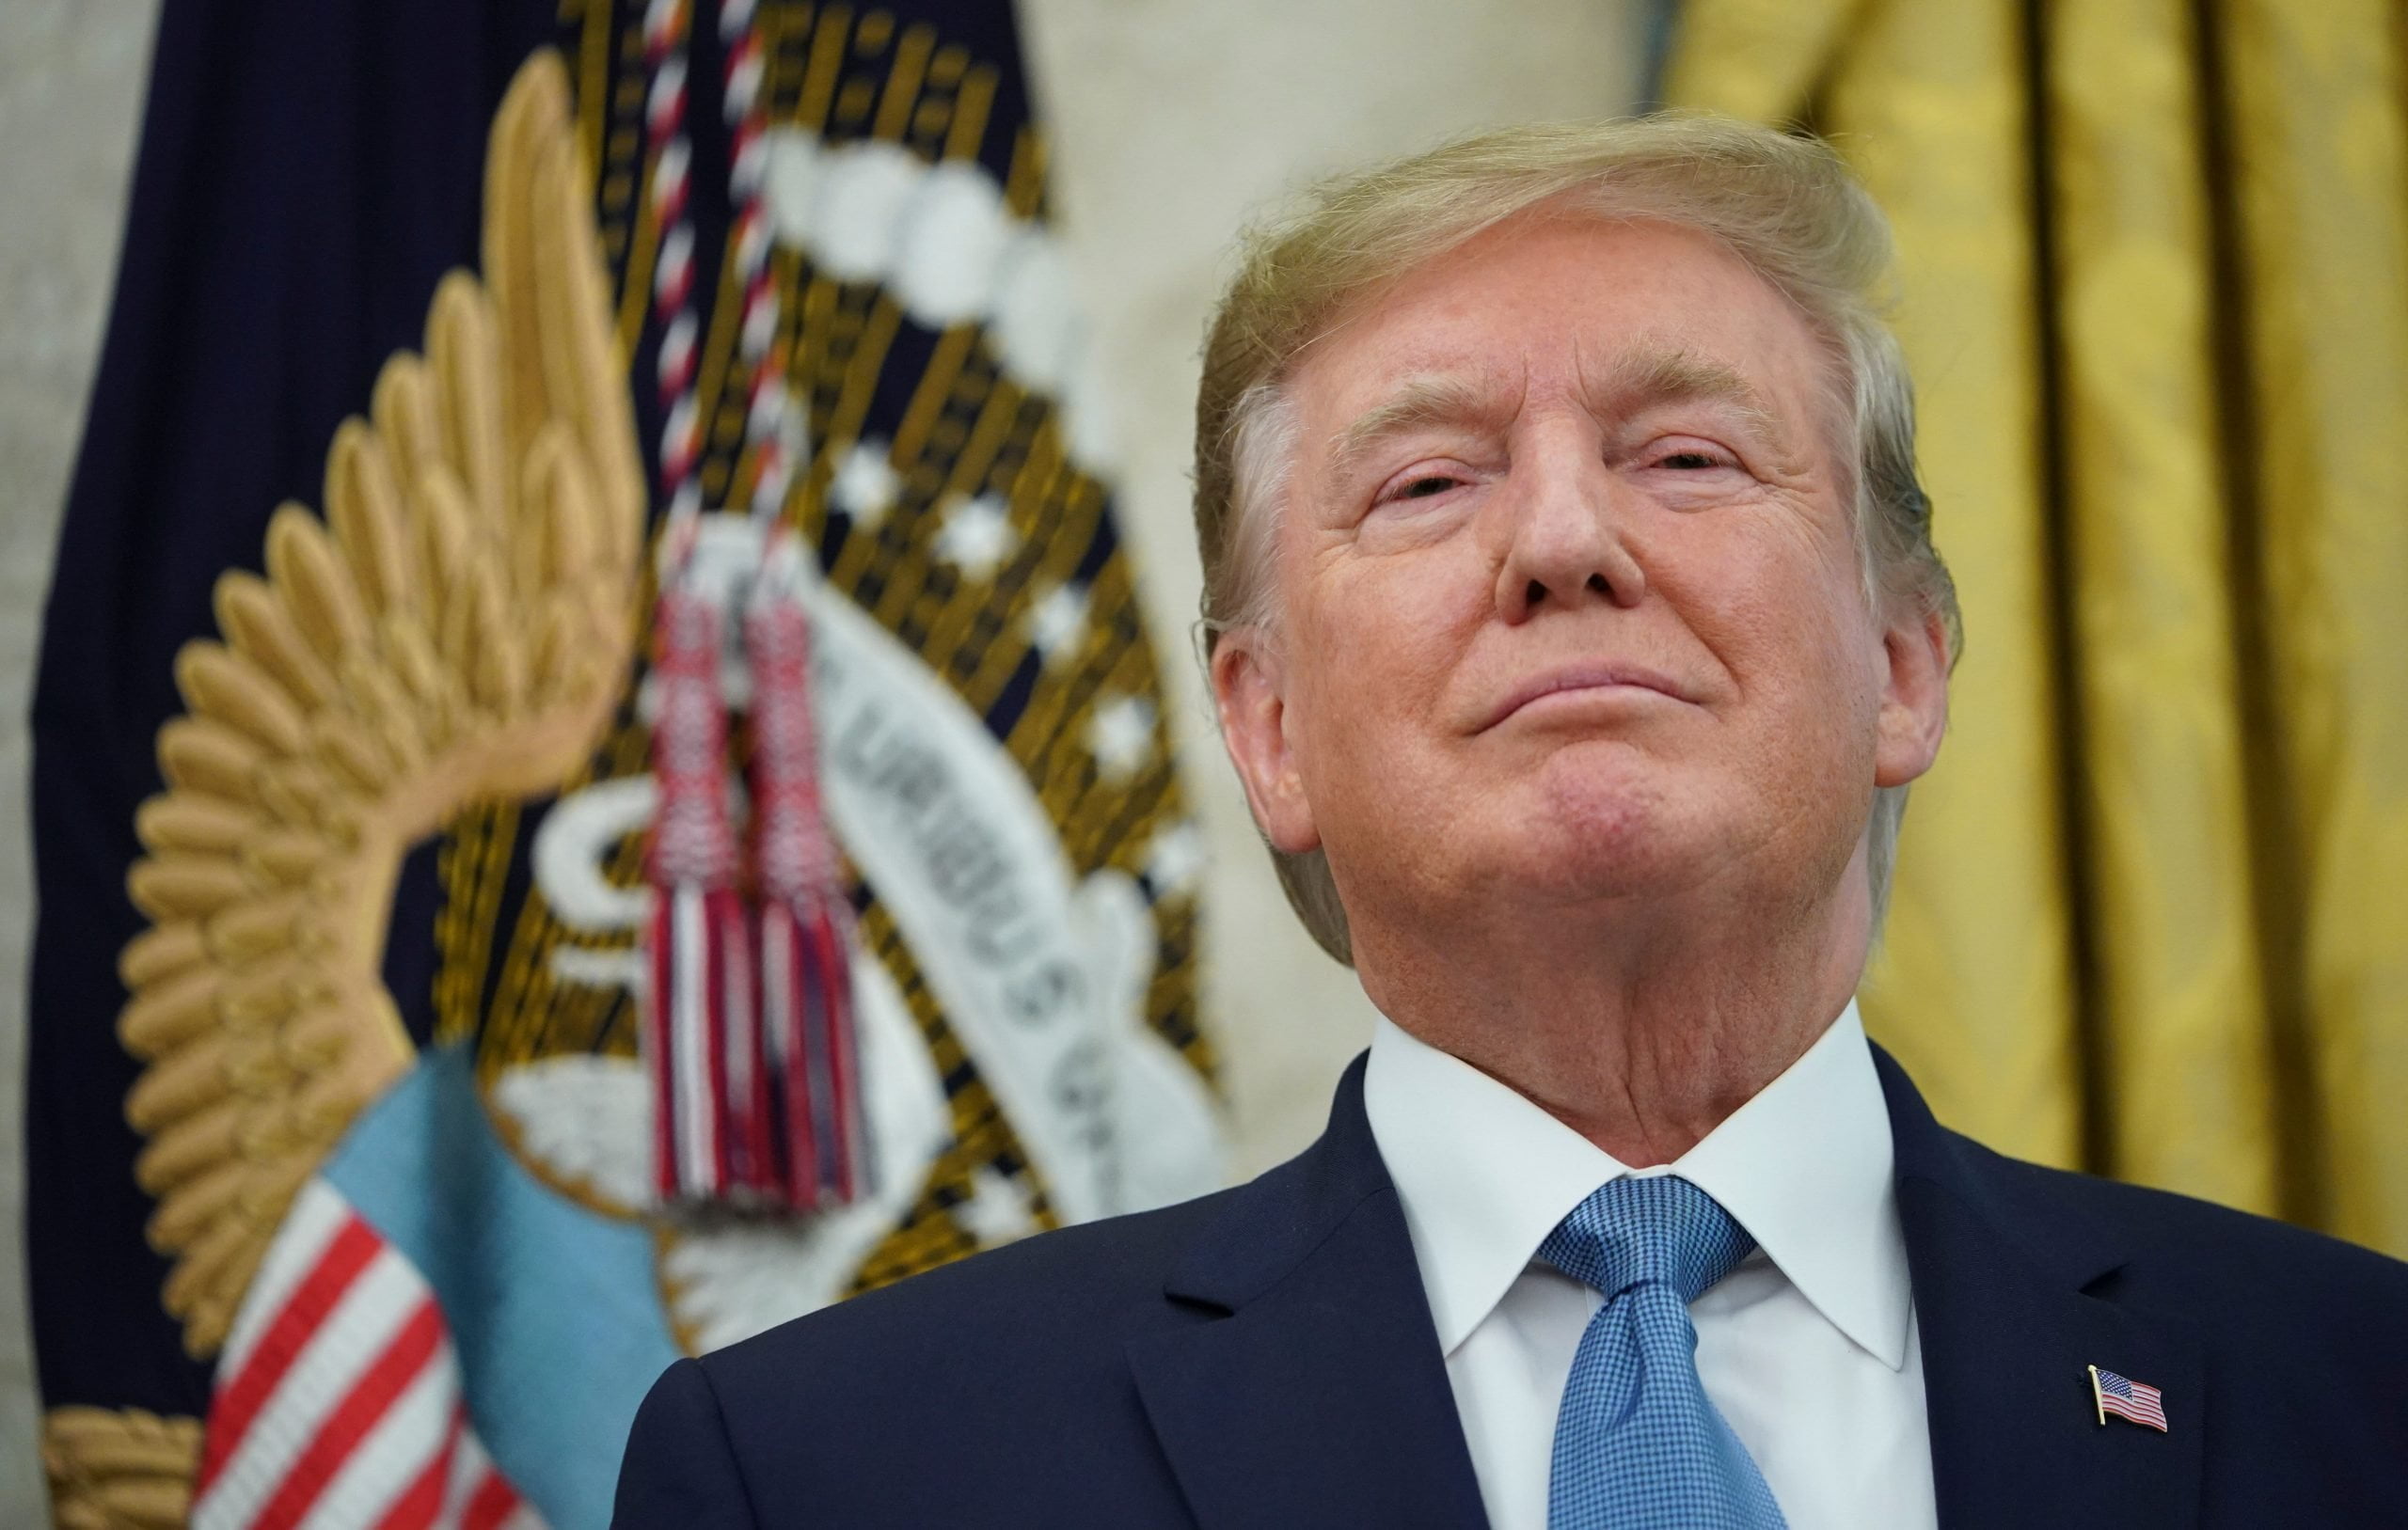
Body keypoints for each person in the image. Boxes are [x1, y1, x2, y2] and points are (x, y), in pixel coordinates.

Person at [611, 115, 2408, 1529]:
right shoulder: (844, 1473)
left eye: (1688, 455)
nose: (1563, 541)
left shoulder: (2352, 1395)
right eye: (1428, 481)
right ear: (1268, 728)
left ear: (1905, 665)